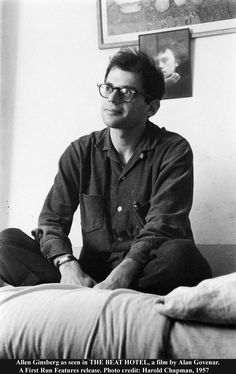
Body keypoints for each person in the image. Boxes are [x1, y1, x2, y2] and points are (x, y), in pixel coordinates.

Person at [0, 48, 211, 295]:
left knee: (182, 256)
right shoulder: (80, 151)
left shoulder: (174, 150)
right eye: (109, 88)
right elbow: (51, 221)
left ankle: (90, 298)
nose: (113, 98)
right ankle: (80, 293)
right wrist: (68, 266)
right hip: (92, 275)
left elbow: (163, 226)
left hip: (145, 270)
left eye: (127, 92)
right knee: (7, 243)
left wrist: (120, 277)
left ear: (151, 107)